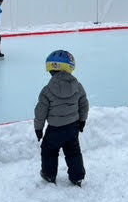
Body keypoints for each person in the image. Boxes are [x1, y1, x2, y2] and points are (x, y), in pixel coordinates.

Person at [34, 50, 89, 186]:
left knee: (49, 151)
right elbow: (84, 104)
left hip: (54, 129)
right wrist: (82, 121)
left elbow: (40, 112)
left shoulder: (47, 90)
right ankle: (77, 176)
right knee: (73, 151)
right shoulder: (77, 86)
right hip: (72, 127)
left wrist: (38, 129)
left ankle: (49, 174)